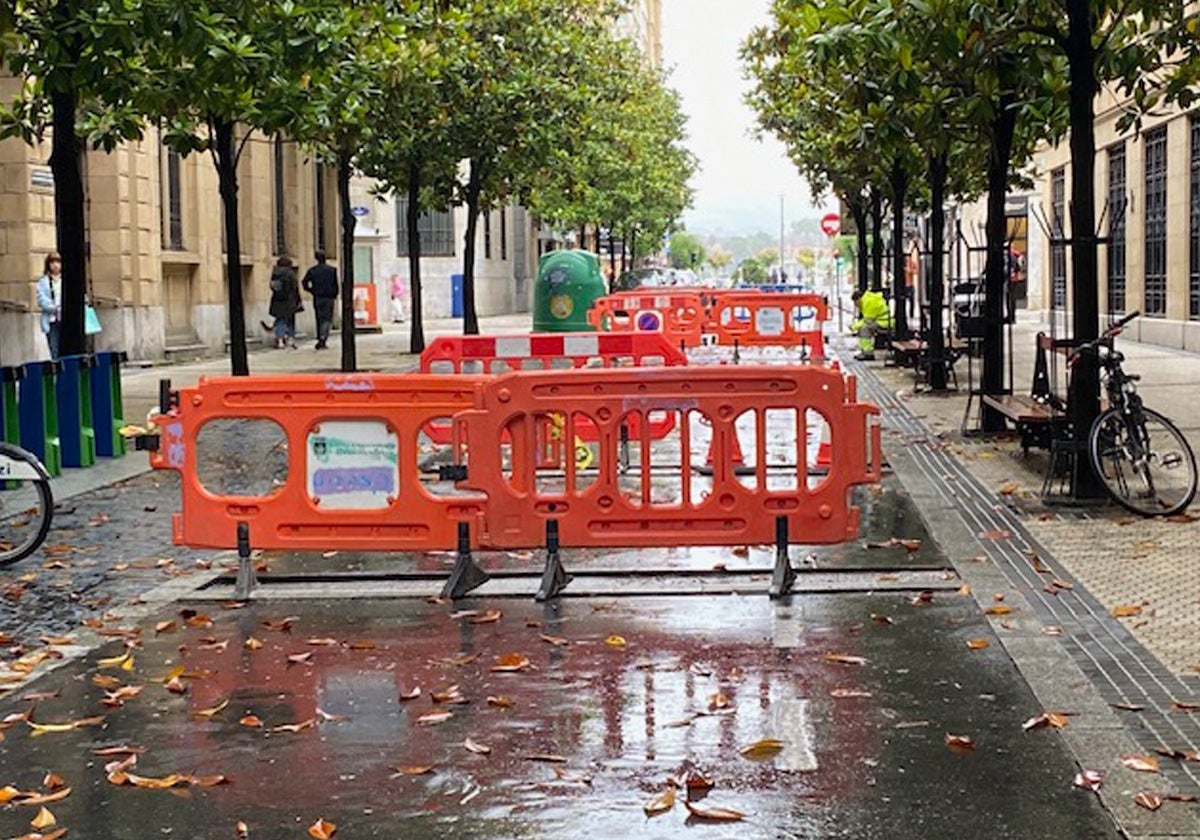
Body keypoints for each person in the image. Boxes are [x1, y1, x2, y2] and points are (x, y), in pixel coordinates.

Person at [302, 249, 339, 350]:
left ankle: (320, 338)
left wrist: (311, 290)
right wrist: (335, 294)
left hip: (318, 297)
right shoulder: (332, 270)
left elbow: (304, 282)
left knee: (319, 318)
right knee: (327, 319)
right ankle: (323, 337)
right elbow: (335, 285)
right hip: (329, 297)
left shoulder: (312, 270)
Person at [35, 252, 64, 359]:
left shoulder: (66, 280)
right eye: (52, 262)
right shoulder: (43, 281)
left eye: (58, 262)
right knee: (54, 348)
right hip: (51, 319)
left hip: (66, 319)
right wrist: (54, 308)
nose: (55, 265)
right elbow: (41, 299)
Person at [268, 255, 302, 349]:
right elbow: (295, 288)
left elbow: (272, 286)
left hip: (277, 300)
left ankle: (280, 341)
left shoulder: (274, 273)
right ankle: (291, 339)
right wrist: (298, 300)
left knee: (280, 320)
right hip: (289, 300)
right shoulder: (290, 273)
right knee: (290, 320)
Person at [850, 288, 892, 361]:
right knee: (863, 328)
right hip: (882, 321)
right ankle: (865, 351)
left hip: (883, 322)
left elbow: (868, 320)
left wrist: (854, 326)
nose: (855, 305)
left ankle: (868, 354)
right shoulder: (868, 299)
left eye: (855, 302)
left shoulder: (868, 302)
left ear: (858, 299)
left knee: (864, 329)